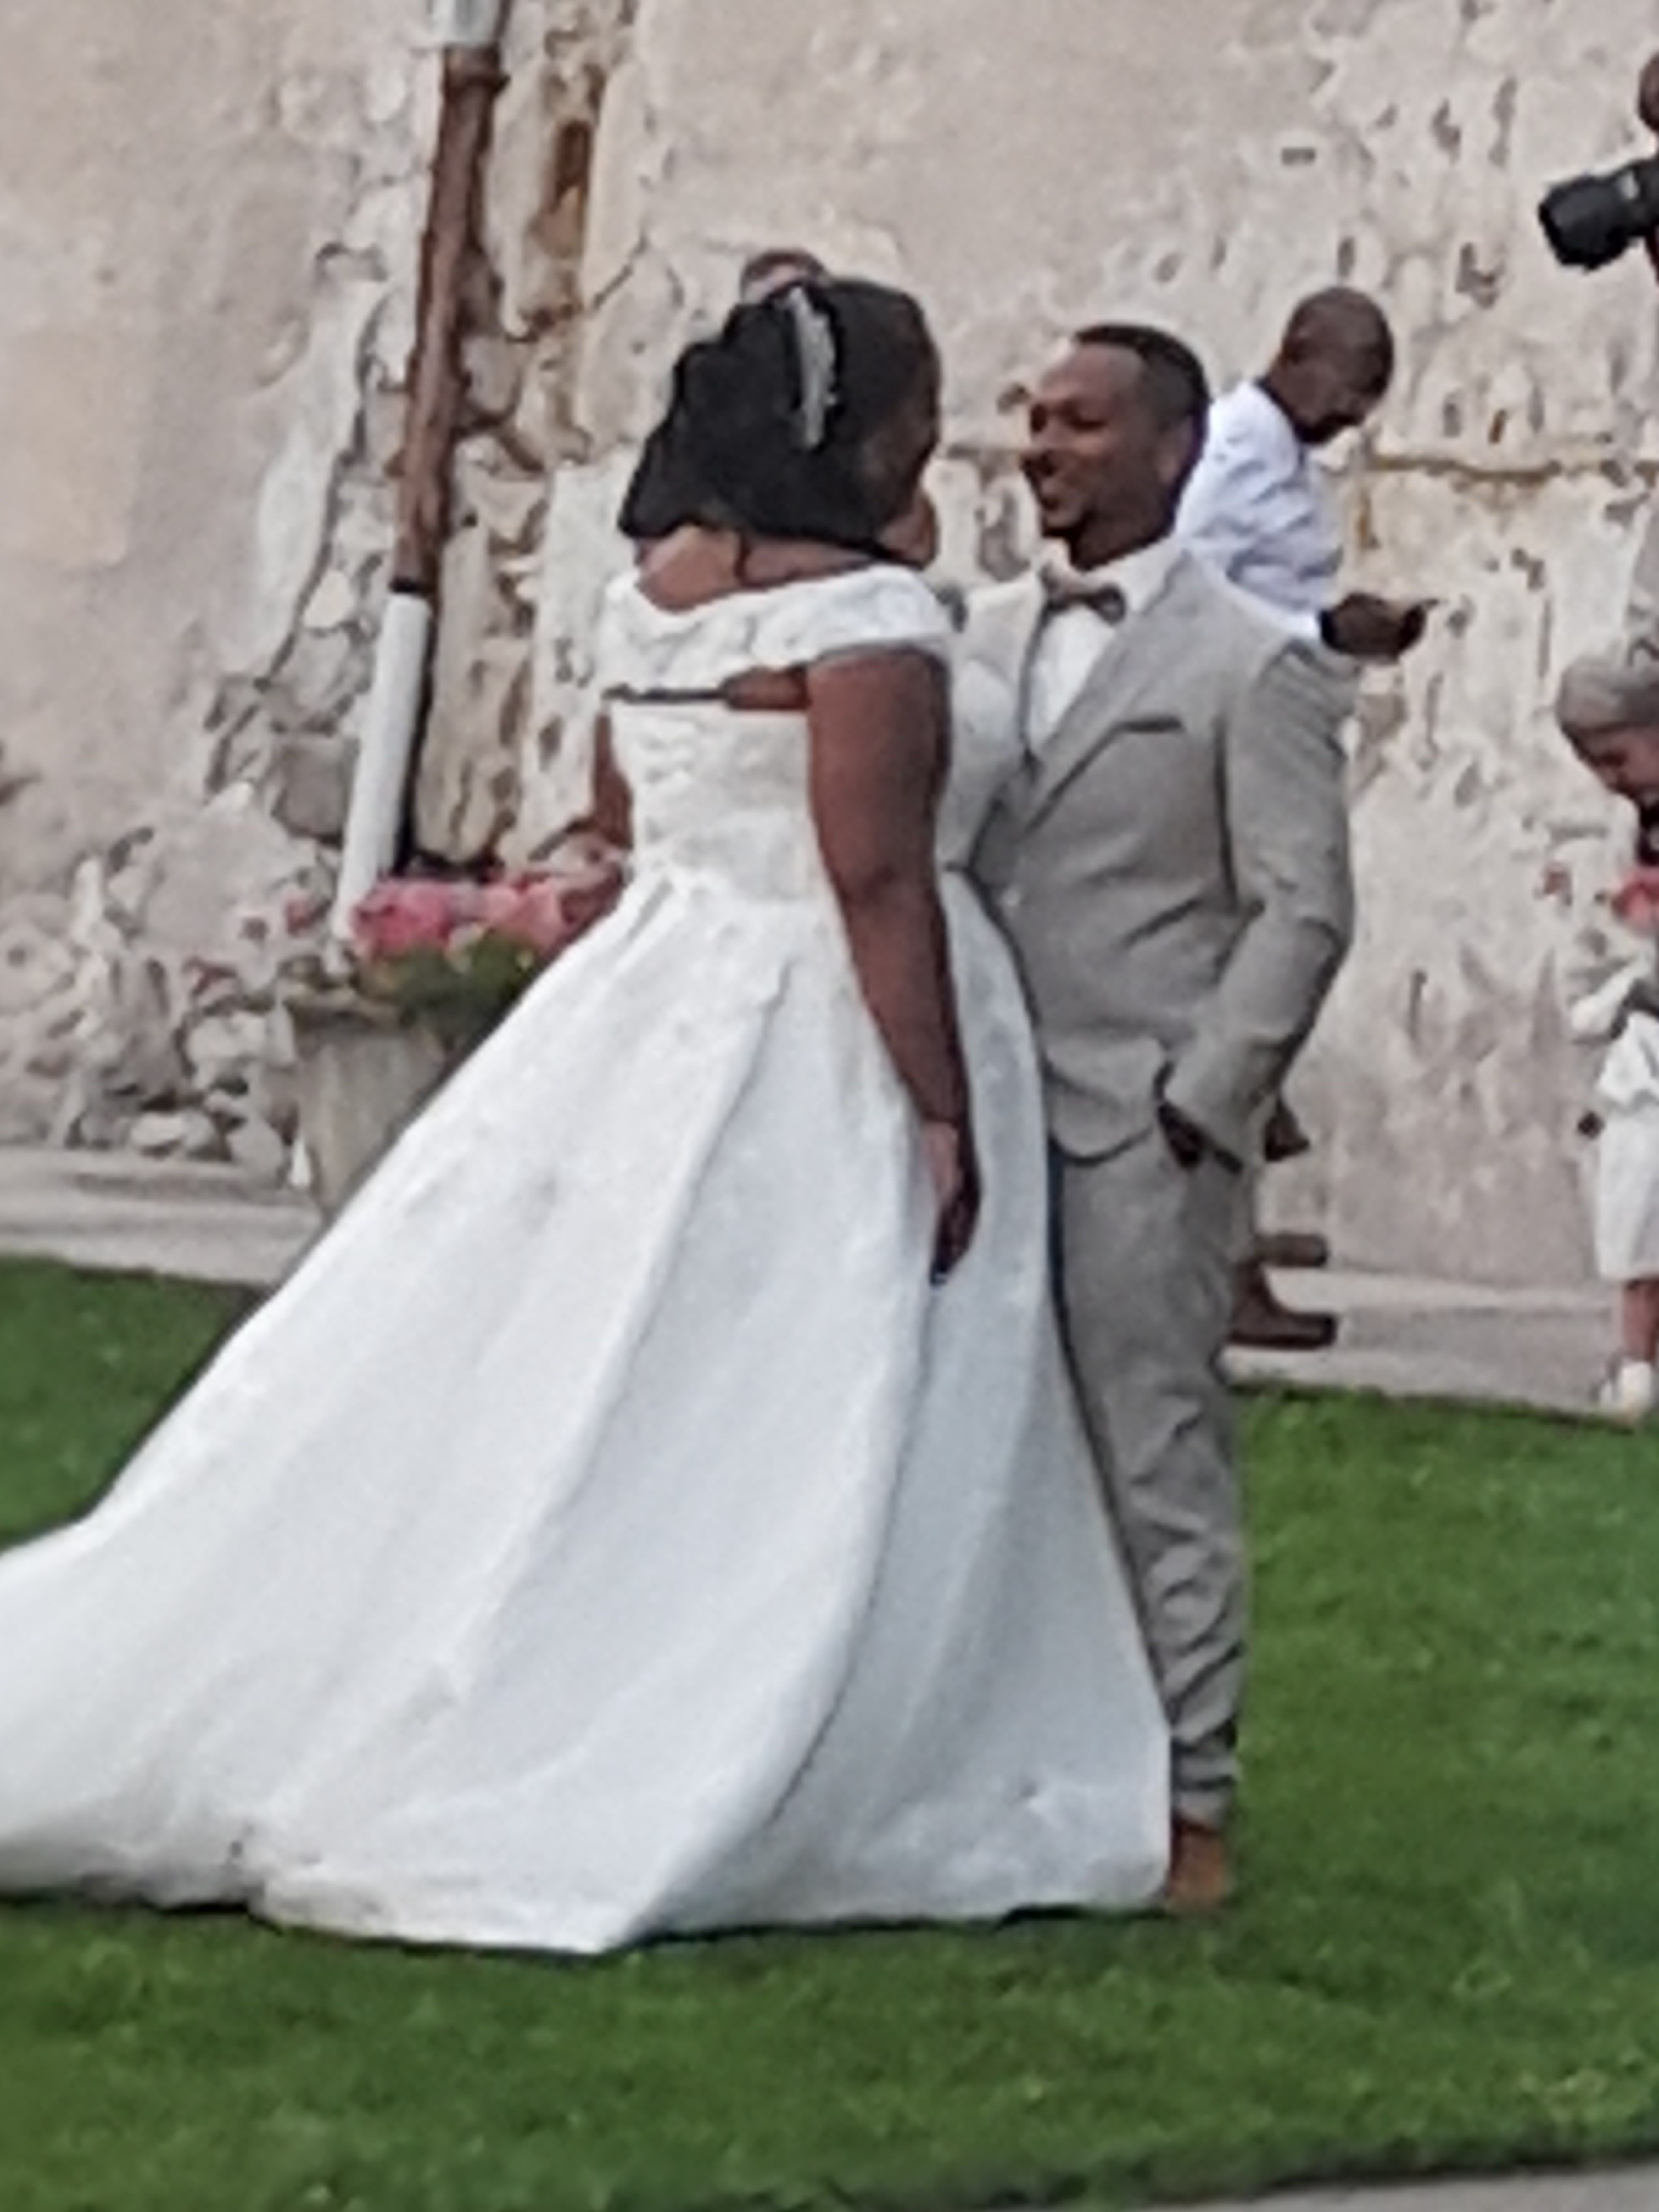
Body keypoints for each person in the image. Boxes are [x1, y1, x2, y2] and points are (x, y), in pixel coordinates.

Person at [0, 280, 1170, 1952]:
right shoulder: (867, 625)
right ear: (867, 426)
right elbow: (874, 878)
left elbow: (624, 814)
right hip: (819, 1007)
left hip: (655, 985)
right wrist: (934, 1104)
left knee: (587, 1335)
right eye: (921, 402)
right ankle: (748, 1698)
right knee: (806, 1347)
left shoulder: (657, 595)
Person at [964, 324, 1355, 1910]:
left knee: (1153, 1447)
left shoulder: (1252, 660)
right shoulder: (981, 632)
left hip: (1140, 1115)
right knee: (983, 1446)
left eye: (1081, 424)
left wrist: (1207, 1099)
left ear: (1174, 448)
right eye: (1036, 419)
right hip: (978, 1097)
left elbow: (1303, 906)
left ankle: (1192, 1793)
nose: (1044, 449)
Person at [1177, 286, 1429, 1352]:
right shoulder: (1236, 449)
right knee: (1298, 927)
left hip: (1287, 705)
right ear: (1304, 354)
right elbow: (1189, 583)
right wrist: (1318, 627)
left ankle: (1236, 1182)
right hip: (1248, 715)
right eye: (1355, 388)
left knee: (1270, 954)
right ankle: (1224, 1122)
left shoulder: (1282, 457)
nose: (1356, 416)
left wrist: (1339, 629)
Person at [1557, 653, 1659, 1421]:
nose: (1610, 780)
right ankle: (1636, 1365)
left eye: (1618, 759)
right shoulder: (1635, 825)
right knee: (1637, 1208)